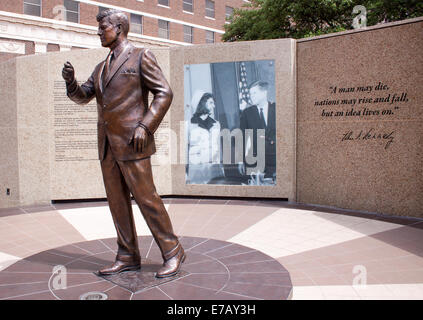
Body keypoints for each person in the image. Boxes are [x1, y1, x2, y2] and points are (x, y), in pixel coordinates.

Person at [61, 9, 184, 278]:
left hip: (133, 142)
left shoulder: (141, 56)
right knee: (117, 203)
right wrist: (71, 83)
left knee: (146, 199)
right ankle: (127, 254)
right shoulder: (101, 67)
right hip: (107, 147)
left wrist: (145, 126)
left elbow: (164, 93)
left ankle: (173, 251)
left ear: (119, 28)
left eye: (102, 27)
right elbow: (84, 96)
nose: (98, 32)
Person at [239, 81, 276, 180]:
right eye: (250, 94)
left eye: (254, 93)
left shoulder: (277, 109)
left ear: (264, 93)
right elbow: (243, 139)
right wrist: (241, 160)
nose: (251, 96)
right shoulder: (247, 113)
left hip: (276, 162)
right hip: (255, 163)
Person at [187, 91, 224, 184]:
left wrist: (221, 168)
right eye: (211, 103)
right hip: (196, 172)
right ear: (202, 103)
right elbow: (184, 151)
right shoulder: (188, 125)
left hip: (215, 171)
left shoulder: (216, 124)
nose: (214, 106)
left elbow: (218, 149)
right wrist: (184, 174)